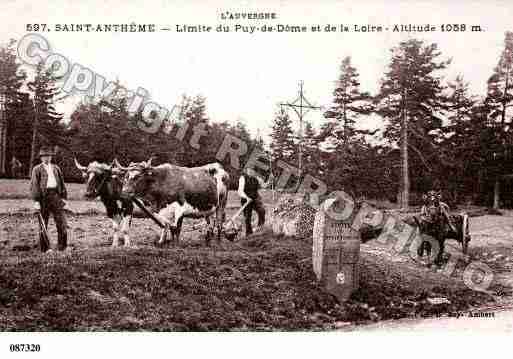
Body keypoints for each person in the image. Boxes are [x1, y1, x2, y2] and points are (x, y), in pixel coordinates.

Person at [30, 147, 69, 252]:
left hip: (56, 196)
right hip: (43, 198)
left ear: (51, 157)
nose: (46, 158)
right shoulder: (37, 169)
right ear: (41, 158)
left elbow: (62, 183)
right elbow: (34, 186)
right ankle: (45, 248)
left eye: (48, 156)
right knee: (43, 224)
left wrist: (64, 197)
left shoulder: (56, 168)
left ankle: (62, 247)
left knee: (62, 222)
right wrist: (36, 201)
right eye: (44, 156)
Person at [238, 167, 266, 236]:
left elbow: (264, 185)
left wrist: (270, 181)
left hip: (255, 198)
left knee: (262, 210)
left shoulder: (257, 178)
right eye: (249, 170)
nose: (251, 172)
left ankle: (260, 228)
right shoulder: (242, 178)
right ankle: (248, 233)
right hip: (245, 199)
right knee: (247, 217)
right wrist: (246, 198)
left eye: (253, 170)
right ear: (246, 170)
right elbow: (240, 191)